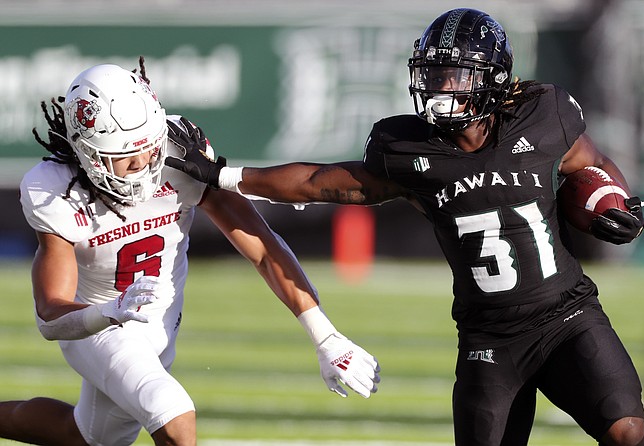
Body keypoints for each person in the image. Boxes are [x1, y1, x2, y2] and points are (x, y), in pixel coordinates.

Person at [165, 8, 644, 446]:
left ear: (491, 78)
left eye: (455, 75)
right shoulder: (407, 149)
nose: (440, 88)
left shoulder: (542, 115)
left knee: (627, 431)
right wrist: (224, 173)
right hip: (489, 338)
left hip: (566, 315)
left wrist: (610, 198)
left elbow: (588, 162)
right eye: (434, 74)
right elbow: (318, 183)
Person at [1, 60, 380, 446]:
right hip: (98, 323)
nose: (146, 164)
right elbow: (51, 314)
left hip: (160, 325)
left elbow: (262, 247)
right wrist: (108, 312)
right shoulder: (55, 190)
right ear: (89, 155)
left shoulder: (179, 150)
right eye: (127, 159)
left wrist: (325, 337)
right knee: (174, 414)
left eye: (150, 149)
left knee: (88, 437)